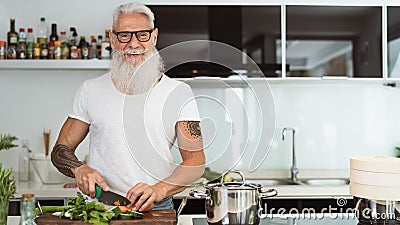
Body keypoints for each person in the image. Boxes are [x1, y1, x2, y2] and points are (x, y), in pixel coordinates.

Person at [51, 2, 205, 212]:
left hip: (156, 208)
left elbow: (195, 161)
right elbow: (61, 150)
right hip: (98, 209)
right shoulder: (90, 90)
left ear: (154, 37)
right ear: (113, 39)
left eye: (142, 35)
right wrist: (80, 169)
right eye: (124, 35)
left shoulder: (179, 93)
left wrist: (159, 190)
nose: (133, 44)